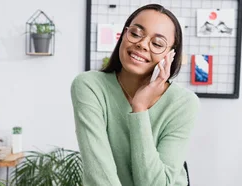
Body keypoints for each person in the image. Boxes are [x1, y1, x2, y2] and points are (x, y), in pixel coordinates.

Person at [70, 3, 200, 186]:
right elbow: (99, 174)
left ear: (171, 55)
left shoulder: (184, 103)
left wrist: (139, 109)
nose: (142, 45)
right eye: (136, 34)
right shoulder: (89, 86)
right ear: (124, 34)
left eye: (157, 43)